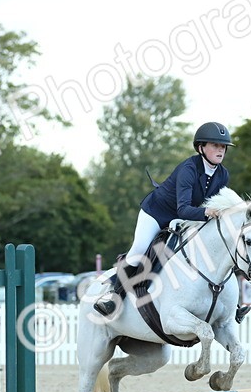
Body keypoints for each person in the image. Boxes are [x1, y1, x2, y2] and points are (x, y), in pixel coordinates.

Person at [93, 121, 233, 317]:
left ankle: (230, 304)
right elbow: (183, 208)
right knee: (140, 250)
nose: (220, 150)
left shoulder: (223, 174)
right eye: (215, 145)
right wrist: (207, 212)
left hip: (184, 218)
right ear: (201, 147)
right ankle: (113, 296)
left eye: (223, 147)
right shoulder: (188, 169)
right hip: (157, 213)